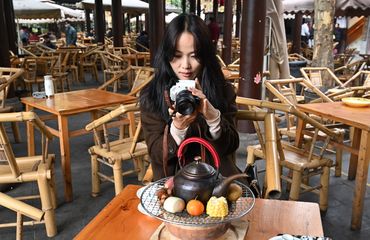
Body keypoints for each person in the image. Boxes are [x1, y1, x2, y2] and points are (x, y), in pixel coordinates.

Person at [139, 14, 241, 181]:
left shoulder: (222, 90)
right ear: (166, 55)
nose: (185, 65)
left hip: (217, 180)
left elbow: (231, 146)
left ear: (205, 55)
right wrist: (177, 128)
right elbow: (157, 155)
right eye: (177, 55)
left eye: (194, 55)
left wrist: (214, 119)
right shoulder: (152, 95)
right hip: (172, 183)